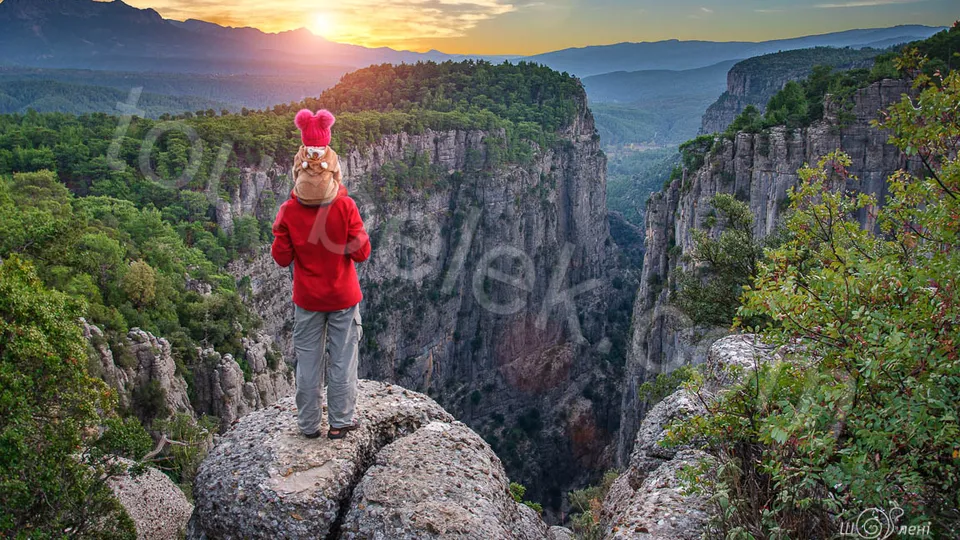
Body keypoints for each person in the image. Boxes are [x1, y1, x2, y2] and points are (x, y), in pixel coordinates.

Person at [271, 108, 371, 440]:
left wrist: (286, 231)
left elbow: (281, 258)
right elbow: (362, 252)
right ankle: (341, 423)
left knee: (309, 363)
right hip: (342, 297)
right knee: (342, 360)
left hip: (308, 299)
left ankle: (309, 426)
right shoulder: (345, 207)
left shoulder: (289, 210)